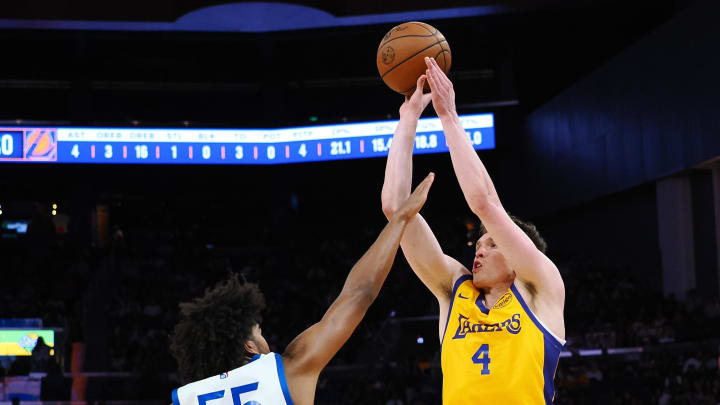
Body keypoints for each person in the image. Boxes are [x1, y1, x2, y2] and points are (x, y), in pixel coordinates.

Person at [381, 56, 566, 404]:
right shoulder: (455, 291)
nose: (478, 251)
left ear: (519, 255)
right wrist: (407, 124)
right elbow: (396, 209)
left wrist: (449, 116)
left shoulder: (541, 289)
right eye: (479, 244)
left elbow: (484, 203)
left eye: (493, 244)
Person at [169, 173, 435, 405]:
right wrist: (400, 219)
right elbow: (359, 294)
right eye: (259, 332)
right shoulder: (289, 369)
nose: (265, 338)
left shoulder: (188, 397)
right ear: (249, 346)